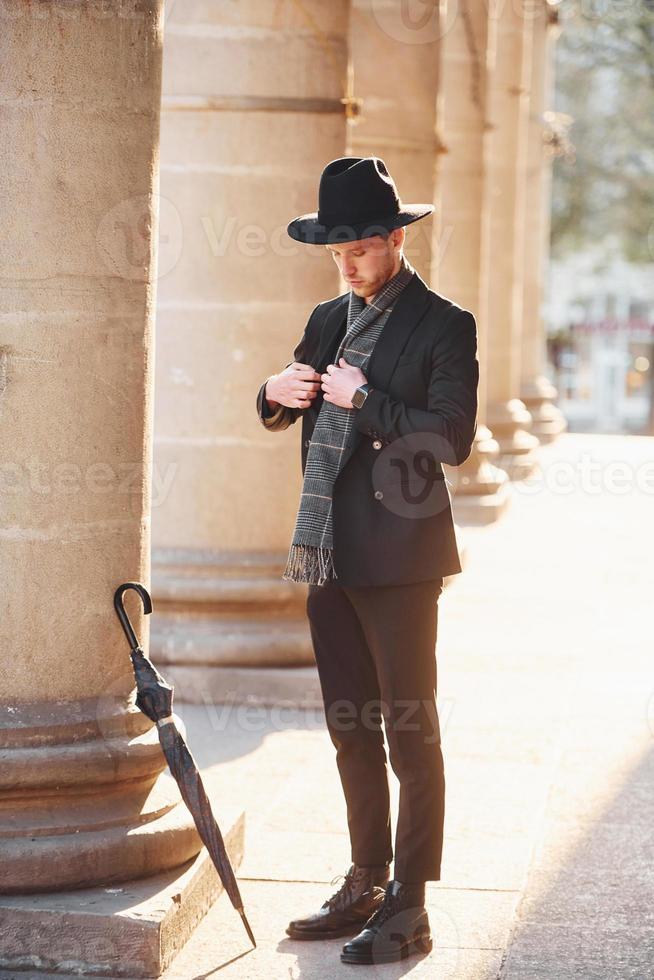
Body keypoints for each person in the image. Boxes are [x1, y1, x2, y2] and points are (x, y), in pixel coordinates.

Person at [255, 156, 479, 966]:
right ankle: (364, 878)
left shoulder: (445, 324)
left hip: (404, 559)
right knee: (351, 728)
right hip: (330, 555)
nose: (345, 264)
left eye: (358, 248)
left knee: (409, 735)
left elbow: (450, 438)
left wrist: (364, 402)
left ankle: (410, 903)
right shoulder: (325, 317)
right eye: (335, 252)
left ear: (392, 241)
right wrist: (272, 394)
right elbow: (296, 401)